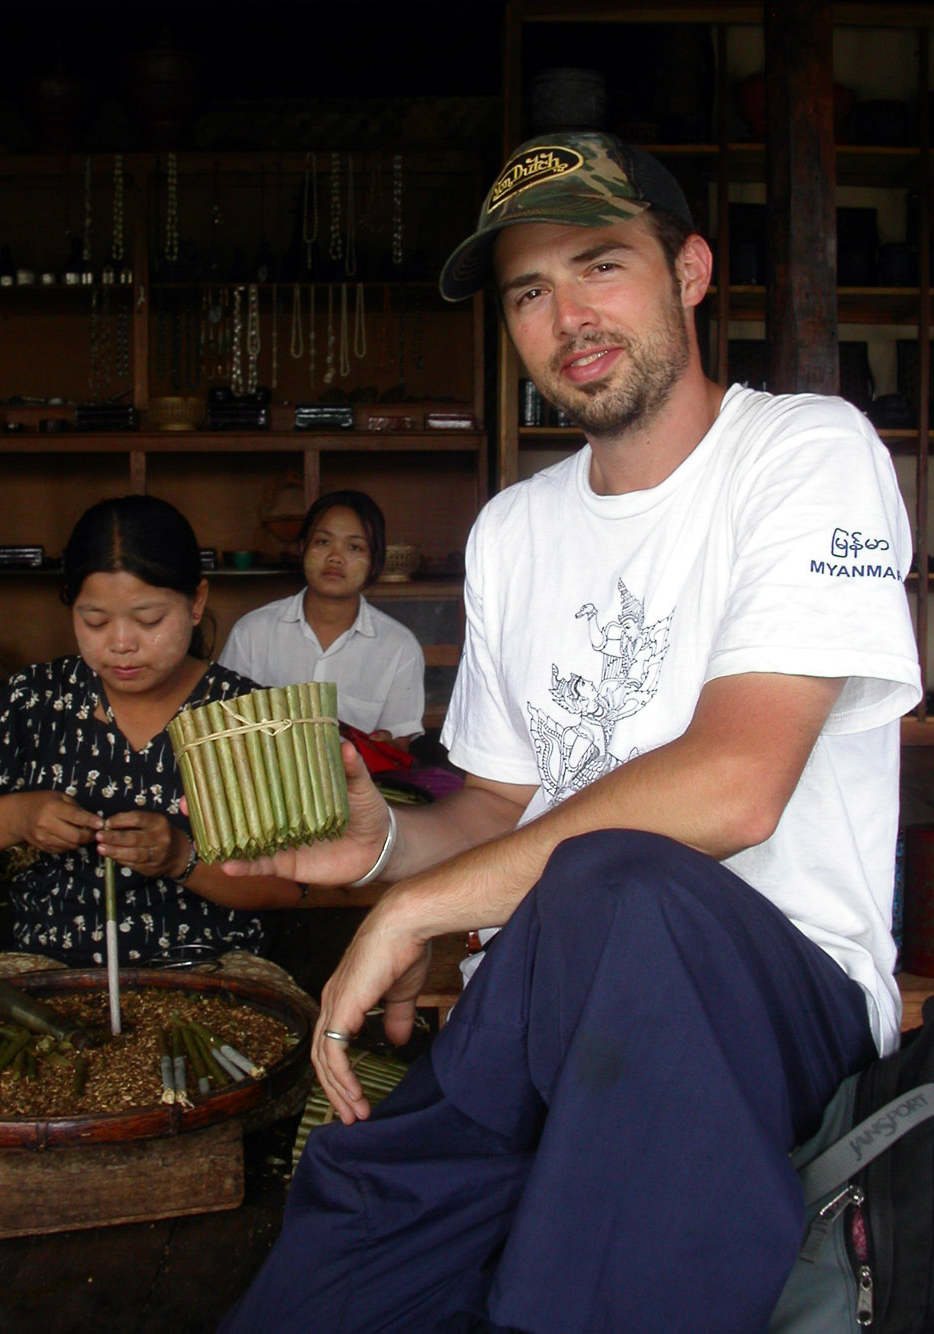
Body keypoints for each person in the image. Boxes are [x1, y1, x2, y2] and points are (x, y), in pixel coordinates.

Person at [216, 133, 922, 1333]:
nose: (567, 316)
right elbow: (497, 812)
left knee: (618, 885)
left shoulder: (805, 452)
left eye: (600, 265)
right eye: (529, 292)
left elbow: (736, 784)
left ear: (689, 270)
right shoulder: (514, 530)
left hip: (777, 980)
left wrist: (418, 911)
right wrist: (388, 849)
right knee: (350, 1254)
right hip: (542, 995)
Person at [0, 495, 301, 967]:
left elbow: (291, 885)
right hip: (53, 977)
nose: (122, 644)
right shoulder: (36, 699)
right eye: (95, 621)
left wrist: (181, 858)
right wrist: (17, 817)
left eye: (149, 620)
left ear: (197, 603)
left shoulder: (244, 715)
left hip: (208, 975)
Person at [219, 489, 425, 751]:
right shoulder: (251, 633)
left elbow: (398, 745)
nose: (335, 557)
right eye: (322, 542)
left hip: (354, 790)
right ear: (303, 547)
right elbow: (223, 729)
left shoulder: (399, 647)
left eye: (354, 547)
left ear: (375, 561)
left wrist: (383, 745)